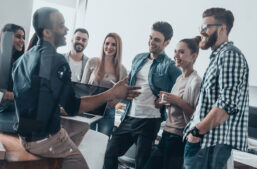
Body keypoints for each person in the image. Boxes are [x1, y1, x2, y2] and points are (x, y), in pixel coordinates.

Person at [12, 7, 140, 169]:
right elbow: (73, 107)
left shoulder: (23, 59)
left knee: (81, 129)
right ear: (48, 32)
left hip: (25, 137)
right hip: (46, 140)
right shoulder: (57, 61)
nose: (66, 30)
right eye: (61, 25)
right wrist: (112, 93)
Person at [104, 21, 182, 169]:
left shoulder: (169, 66)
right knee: (109, 153)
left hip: (149, 121)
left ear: (167, 42)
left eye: (157, 40)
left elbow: (181, 88)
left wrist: (165, 100)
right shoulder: (138, 58)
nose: (151, 42)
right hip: (129, 117)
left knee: (141, 163)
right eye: (151, 37)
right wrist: (124, 94)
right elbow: (129, 84)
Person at [183, 8, 249, 169]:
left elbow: (226, 105)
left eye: (206, 27)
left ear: (222, 28)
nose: (201, 31)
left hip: (209, 144)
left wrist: (197, 132)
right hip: (203, 143)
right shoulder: (218, 57)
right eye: (201, 27)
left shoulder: (230, 55)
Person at [143, 36, 202, 169]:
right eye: (175, 51)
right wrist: (163, 102)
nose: (176, 55)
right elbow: (175, 105)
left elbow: (197, 116)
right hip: (167, 134)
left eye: (181, 52)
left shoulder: (196, 82)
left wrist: (176, 100)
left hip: (178, 139)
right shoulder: (180, 78)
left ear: (193, 56)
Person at [81, 32, 127, 136]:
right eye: (107, 43)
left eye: (113, 44)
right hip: (89, 110)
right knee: (86, 143)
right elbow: (83, 86)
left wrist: (115, 101)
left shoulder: (122, 70)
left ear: (118, 47)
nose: (109, 47)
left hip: (108, 111)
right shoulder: (92, 62)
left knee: (102, 145)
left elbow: (122, 93)